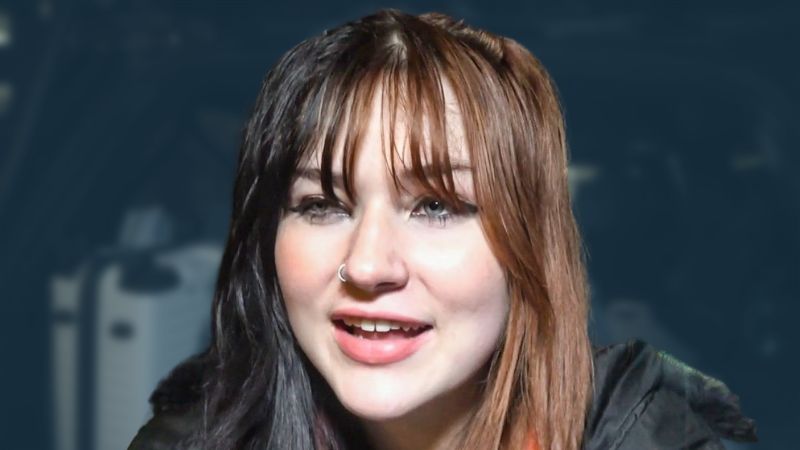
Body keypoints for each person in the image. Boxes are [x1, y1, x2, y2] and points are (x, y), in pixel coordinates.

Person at [129, 9, 757, 450]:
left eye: (435, 206)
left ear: (530, 246)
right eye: (322, 204)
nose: (368, 265)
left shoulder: (644, 433)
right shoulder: (195, 439)